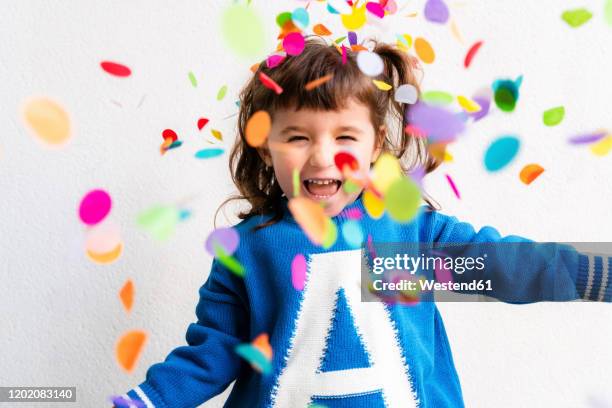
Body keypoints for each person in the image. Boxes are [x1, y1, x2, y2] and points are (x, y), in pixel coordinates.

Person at [113, 36, 611, 408]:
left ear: (375, 147)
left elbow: (509, 266)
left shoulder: (410, 237)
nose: (322, 157)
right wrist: (147, 400)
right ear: (266, 148)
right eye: (298, 137)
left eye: (345, 137)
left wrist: (599, 274)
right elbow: (213, 352)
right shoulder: (248, 250)